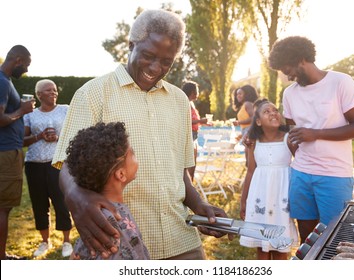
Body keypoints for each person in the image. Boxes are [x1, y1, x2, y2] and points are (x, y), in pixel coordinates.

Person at [52, 9, 230, 260]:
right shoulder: (92, 94)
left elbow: (179, 170)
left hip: (181, 240)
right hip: (120, 241)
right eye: (148, 55)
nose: (156, 68)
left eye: (166, 62)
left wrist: (198, 204)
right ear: (131, 44)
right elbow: (67, 163)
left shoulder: (179, 99)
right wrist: (75, 196)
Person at [268, 36, 354, 242]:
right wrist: (291, 141)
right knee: (307, 240)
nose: (288, 77)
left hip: (334, 175)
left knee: (335, 239)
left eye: (289, 70)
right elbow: (293, 132)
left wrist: (316, 134)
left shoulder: (341, 82)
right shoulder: (289, 94)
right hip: (301, 175)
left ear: (302, 58)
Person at [66, 122, 150, 260]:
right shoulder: (111, 222)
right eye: (133, 154)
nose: (136, 157)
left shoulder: (99, 214)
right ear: (121, 174)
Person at [240, 99, 298, 260]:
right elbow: (251, 171)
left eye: (275, 110)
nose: (273, 113)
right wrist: (243, 200)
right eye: (267, 111)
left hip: (281, 198)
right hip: (260, 197)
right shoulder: (254, 142)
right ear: (258, 121)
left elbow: (301, 165)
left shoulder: (288, 138)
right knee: (262, 245)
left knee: (280, 246)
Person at [23, 79, 73, 258]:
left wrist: (58, 137)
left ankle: (66, 241)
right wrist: (40, 136)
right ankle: (45, 241)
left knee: (61, 201)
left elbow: (74, 133)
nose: (53, 92)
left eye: (54, 90)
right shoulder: (30, 114)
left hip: (57, 162)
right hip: (34, 164)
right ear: (39, 95)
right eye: (48, 90)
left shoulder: (65, 110)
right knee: (39, 203)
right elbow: (22, 140)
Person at [0, 45, 34, 260]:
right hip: (5, 153)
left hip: (6, 151)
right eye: (27, 66)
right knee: (3, 207)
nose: (27, 71)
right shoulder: (2, 82)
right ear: (19, 60)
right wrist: (22, 110)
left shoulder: (5, 82)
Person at [182, 81, 208, 181]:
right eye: (197, 91)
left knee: (193, 163)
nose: (198, 93)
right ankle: (188, 186)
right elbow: (185, 120)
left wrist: (202, 122)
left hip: (194, 135)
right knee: (189, 163)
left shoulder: (191, 103)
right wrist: (200, 120)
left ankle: (190, 185)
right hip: (189, 135)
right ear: (192, 92)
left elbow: (193, 120)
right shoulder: (185, 102)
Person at [232, 85, 258, 165]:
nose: (238, 96)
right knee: (248, 157)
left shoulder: (248, 104)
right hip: (246, 131)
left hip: (250, 131)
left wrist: (239, 122)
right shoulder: (244, 105)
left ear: (246, 94)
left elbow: (253, 118)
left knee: (250, 158)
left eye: (240, 94)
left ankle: (252, 175)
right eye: (237, 94)